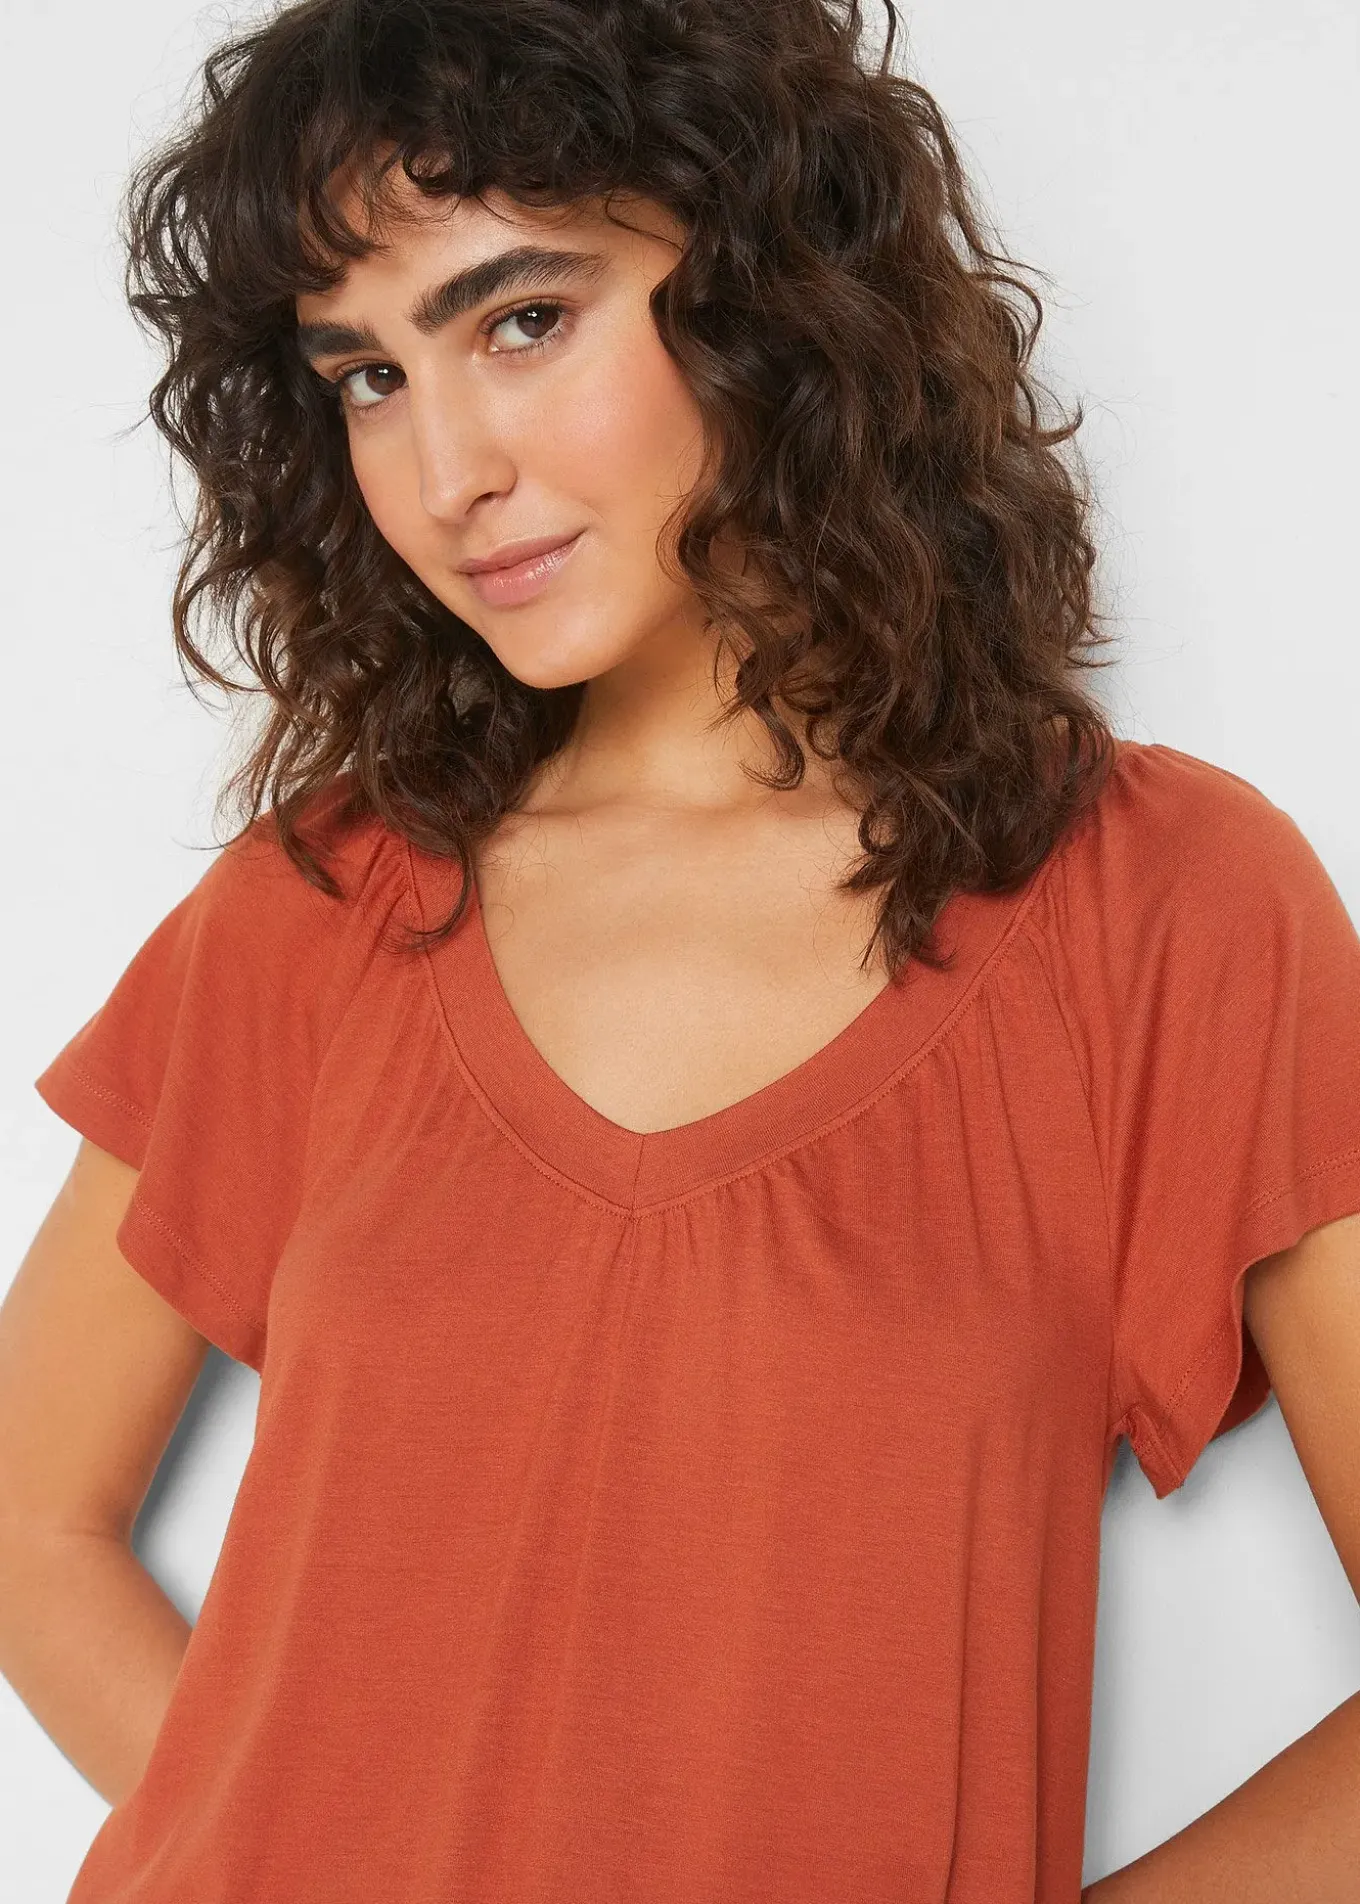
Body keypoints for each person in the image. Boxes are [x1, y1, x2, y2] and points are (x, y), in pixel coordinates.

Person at [2, 2, 1358, 1900]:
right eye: (365, 375)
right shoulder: (321, 909)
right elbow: (27, 1523)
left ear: (768, 290)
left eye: (519, 321)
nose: (444, 471)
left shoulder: (1163, 904)